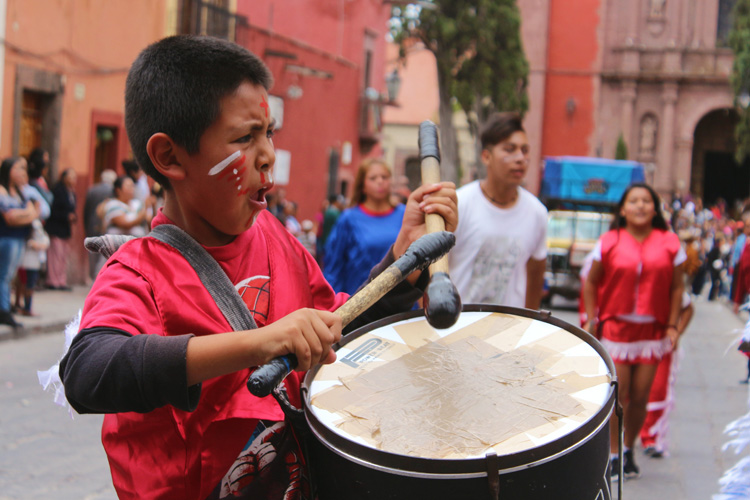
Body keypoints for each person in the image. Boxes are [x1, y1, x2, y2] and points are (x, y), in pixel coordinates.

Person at [59, 35, 457, 500]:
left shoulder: (274, 237)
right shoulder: (140, 273)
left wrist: (403, 261)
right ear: (169, 157)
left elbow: (337, 331)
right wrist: (262, 342)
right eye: (244, 137)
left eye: (268, 132)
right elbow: (88, 371)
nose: (267, 154)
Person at [583, 183, 685, 482]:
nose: (640, 206)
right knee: (619, 396)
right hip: (616, 329)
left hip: (652, 332)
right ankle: (612, 454)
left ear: (655, 208)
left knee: (640, 397)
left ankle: (629, 448)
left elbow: (678, 287)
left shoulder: (670, 242)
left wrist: (672, 325)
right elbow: (591, 282)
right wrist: (592, 317)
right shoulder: (609, 241)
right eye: (634, 201)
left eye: (646, 201)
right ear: (623, 209)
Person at [448, 111, 548, 309]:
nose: (520, 158)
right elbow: (431, 271)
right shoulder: (459, 204)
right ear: (486, 156)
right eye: (510, 149)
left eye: (525, 150)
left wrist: (529, 324)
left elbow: (535, 276)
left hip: (508, 331)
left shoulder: (537, 213)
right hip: (457, 327)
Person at [324, 158, 406, 295]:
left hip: (401, 299)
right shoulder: (348, 218)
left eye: (384, 177)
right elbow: (334, 266)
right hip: (360, 300)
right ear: (362, 185)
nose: (380, 181)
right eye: (373, 178)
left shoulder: (404, 214)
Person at [639, 291, 694, 458]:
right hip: (627, 341)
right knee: (629, 392)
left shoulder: (668, 278)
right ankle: (624, 440)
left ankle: (651, 437)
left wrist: (676, 331)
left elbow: (688, 308)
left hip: (660, 346)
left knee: (658, 390)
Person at [0, 157, 39, 328]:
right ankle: (4, 310)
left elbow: (37, 211)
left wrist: (23, 214)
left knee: (8, 277)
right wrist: (27, 214)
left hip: (17, 239)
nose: (22, 173)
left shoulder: (21, 192)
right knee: (5, 276)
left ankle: (5, 308)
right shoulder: (2, 191)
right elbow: (10, 218)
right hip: (6, 238)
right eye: (18, 168)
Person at [45, 168, 78, 291]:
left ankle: (61, 280)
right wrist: (66, 216)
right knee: (55, 255)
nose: (73, 180)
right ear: (64, 178)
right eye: (71, 177)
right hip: (56, 227)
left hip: (65, 228)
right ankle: (52, 281)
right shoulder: (58, 191)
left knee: (63, 256)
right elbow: (53, 210)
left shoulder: (71, 192)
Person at [83, 169, 117, 280]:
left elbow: (86, 210)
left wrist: (86, 224)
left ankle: (93, 276)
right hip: (106, 224)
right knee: (104, 252)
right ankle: (100, 277)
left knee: (92, 251)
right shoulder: (113, 191)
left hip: (92, 223)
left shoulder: (92, 190)